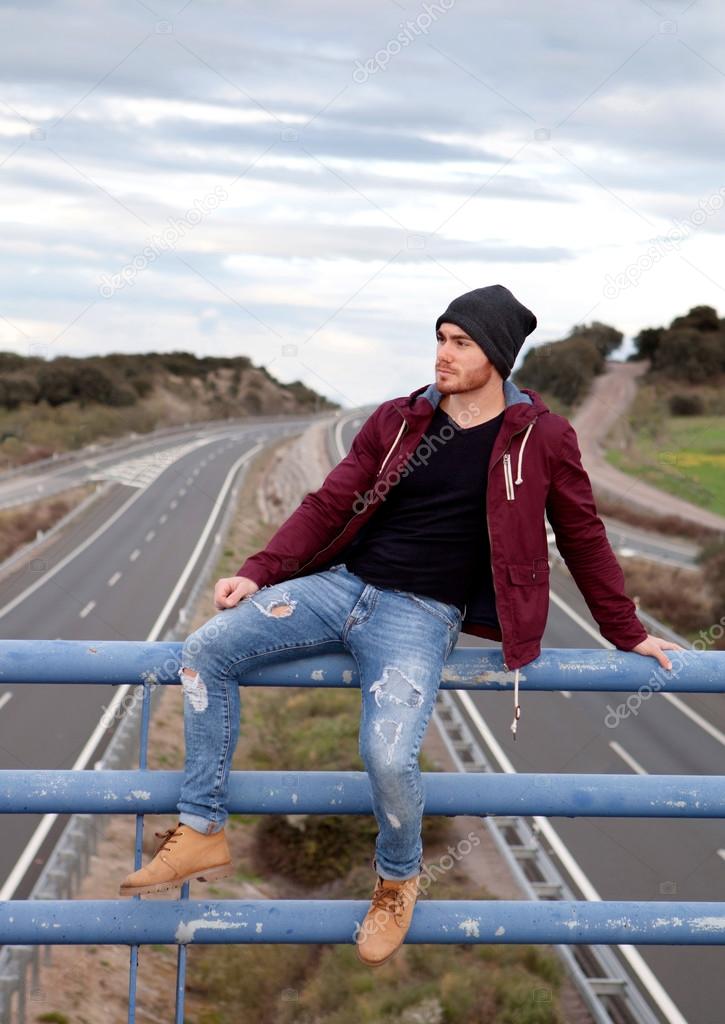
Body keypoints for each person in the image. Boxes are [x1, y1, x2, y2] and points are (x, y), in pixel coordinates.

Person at [119, 284, 681, 966]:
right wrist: (260, 570)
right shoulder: (400, 419)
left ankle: (395, 880)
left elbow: (583, 535)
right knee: (206, 650)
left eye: (460, 343)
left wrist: (626, 632)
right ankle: (201, 828)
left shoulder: (540, 437)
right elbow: (330, 503)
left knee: (387, 755)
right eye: (440, 338)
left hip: (420, 615)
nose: (442, 354)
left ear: (496, 356)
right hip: (340, 588)